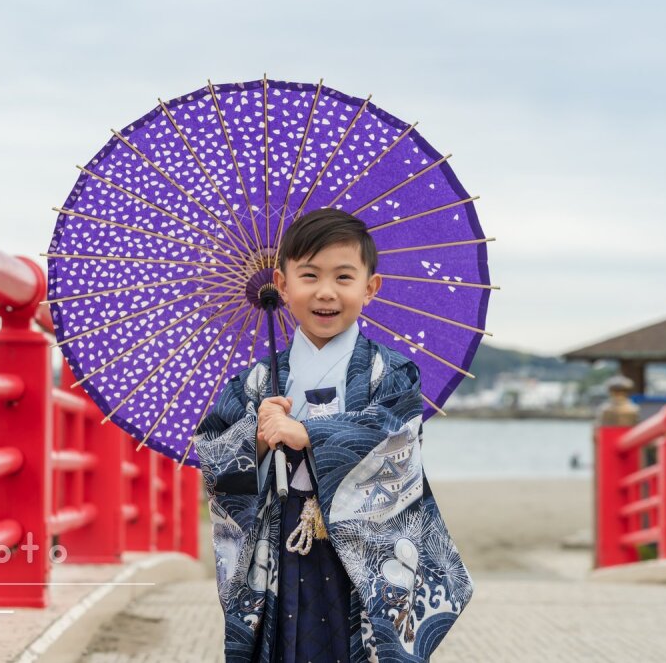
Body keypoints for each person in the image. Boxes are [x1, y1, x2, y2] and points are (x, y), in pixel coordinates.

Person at [193, 209, 474, 663]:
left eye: (344, 277)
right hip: (282, 539)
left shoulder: (392, 372)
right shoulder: (257, 381)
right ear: (282, 287)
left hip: (365, 548)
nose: (326, 292)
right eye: (309, 276)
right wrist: (258, 435)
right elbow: (212, 451)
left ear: (370, 287)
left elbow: (396, 436)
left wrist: (309, 433)